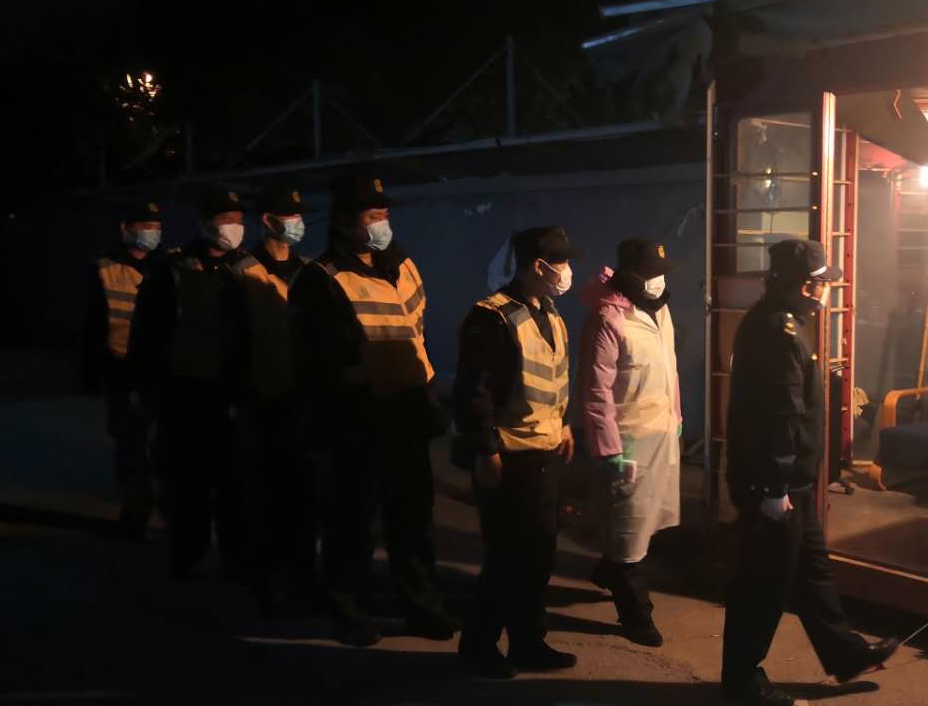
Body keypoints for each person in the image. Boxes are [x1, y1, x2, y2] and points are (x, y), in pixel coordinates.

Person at [721, 238, 898, 706]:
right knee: (763, 583)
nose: (826, 292)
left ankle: (847, 654)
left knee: (812, 572)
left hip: (790, 482)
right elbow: (780, 415)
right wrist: (775, 486)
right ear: (806, 287)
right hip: (775, 483)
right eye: (823, 284)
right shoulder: (779, 333)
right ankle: (741, 678)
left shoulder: (776, 322)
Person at [288, 172, 457, 647]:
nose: (382, 223)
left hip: (407, 411)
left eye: (385, 213)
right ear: (346, 221)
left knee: (413, 520)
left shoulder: (403, 265)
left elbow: (417, 332)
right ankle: (349, 610)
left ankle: (422, 608)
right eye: (372, 215)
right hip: (355, 418)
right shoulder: (321, 278)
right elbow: (312, 362)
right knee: (352, 523)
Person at [454, 226, 580, 678]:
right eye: (561, 263)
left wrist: (564, 423)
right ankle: (479, 645)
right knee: (507, 558)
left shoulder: (549, 312)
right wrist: (485, 450)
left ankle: (528, 642)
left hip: (544, 452)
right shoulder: (492, 317)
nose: (568, 271)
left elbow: (555, 376)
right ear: (538, 267)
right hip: (509, 456)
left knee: (538, 556)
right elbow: (475, 391)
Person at [129, 187, 251, 579]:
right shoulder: (173, 269)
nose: (233, 227)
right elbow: (147, 333)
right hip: (185, 393)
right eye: (225, 220)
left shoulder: (248, 268)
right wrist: (149, 389)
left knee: (234, 484)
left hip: (231, 392)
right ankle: (186, 554)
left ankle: (235, 559)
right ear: (205, 223)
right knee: (187, 481)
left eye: (238, 220)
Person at [578, 239, 682, 647]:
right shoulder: (608, 319)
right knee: (630, 525)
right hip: (630, 441)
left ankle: (609, 570)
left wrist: (677, 418)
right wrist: (609, 448)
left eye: (662, 274)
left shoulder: (660, 312)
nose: (659, 282)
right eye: (652, 275)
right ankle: (636, 614)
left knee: (649, 518)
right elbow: (596, 391)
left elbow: (670, 368)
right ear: (631, 276)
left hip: (662, 432)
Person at [230, 185, 317, 618]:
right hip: (262, 400)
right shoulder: (241, 272)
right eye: (289, 215)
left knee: (303, 497)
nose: (297, 223)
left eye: (299, 215)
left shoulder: (309, 271)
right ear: (267, 221)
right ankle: (265, 581)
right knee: (264, 495)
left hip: (302, 400)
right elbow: (231, 340)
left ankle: (302, 580)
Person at [81, 200, 164, 541]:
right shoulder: (104, 267)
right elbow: (91, 324)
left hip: (162, 370)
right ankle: (135, 512)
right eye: (145, 226)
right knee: (130, 444)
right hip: (122, 368)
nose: (152, 233)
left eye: (156, 227)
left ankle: (169, 509)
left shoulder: (167, 266)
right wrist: (90, 372)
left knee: (165, 445)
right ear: (126, 229)